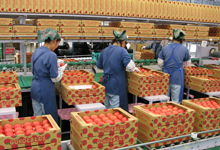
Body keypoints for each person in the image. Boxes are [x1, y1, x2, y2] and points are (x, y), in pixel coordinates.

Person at [96, 30, 139, 111]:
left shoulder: (105, 50)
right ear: (123, 42)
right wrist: (134, 68)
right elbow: (130, 66)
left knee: (107, 110)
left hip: (106, 84)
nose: (125, 45)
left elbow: (99, 66)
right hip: (116, 85)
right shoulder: (122, 50)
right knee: (115, 112)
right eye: (125, 43)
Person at [31, 28, 66, 124]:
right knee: (48, 120)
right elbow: (55, 78)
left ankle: (38, 137)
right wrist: (61, 70)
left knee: (37, 118)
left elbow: (33, 70)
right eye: (57, 44)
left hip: (34, 87)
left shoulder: (36, 51)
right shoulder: (51, 55)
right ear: (54, 41)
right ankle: (49, 138)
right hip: (45, 89)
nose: (56, 47)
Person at [158, 29, 191, 104]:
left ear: (172, 37)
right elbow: (187, 63)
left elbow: (160, 63)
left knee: (163, 100)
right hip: (177, 77)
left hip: (165, 77)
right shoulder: (184, 49)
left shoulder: (165, 48)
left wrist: (166, 68)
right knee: (175, 101)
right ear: (182, 39)